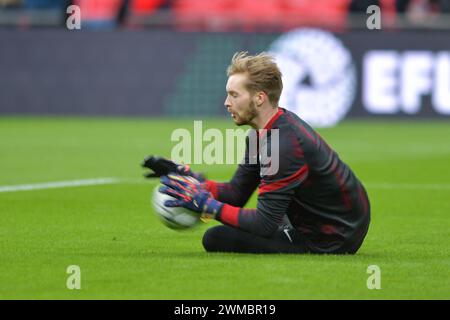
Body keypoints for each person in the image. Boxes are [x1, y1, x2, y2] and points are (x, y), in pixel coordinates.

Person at [143, 52, 370, 254]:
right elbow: (236, 193)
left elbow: (264, 223)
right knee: (230, 229)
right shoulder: (262, 133)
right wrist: (191, 179)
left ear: (259, 98)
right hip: (332, 222)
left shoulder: (283, 146)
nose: (226, 102)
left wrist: (207, 206)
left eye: (234, 95)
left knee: (216, 238)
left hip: (330, 237)